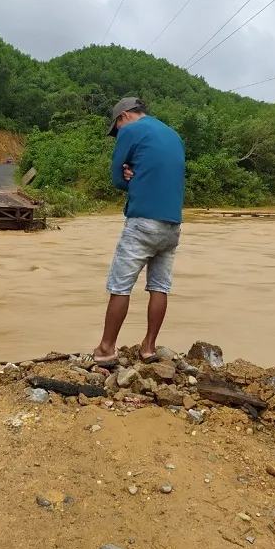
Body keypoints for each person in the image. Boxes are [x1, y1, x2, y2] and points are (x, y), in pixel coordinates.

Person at [92, 97, 186, 367]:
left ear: (123, 117)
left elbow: (117, 179)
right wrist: (137, 171)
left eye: (116, 128)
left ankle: (106, 348)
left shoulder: (130, 131)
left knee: (120, 286)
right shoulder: (173, 134)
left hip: (143, 222)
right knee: (159, 286)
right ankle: (148, 347)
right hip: (172, 225)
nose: (117, 133)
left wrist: (129, 174)